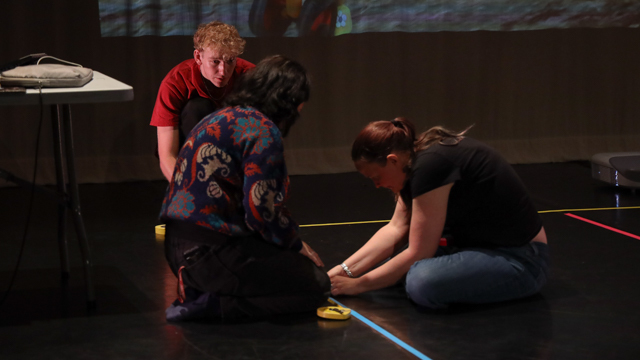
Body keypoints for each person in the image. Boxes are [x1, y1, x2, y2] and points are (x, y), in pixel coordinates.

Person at [161, 55, 330, 321]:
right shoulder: (262, 131)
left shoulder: (217, 117)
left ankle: (203, 293)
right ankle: (212, 305)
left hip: (177, 251)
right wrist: (296, 245)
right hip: (207, 255)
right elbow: (261, 212)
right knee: (317, 284)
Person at [329, 117, 549, 309]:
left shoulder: (431, 165)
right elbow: (395, 229)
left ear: (392, 160)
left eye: (376, 177)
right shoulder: (414, 162)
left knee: (421, 281)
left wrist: (359, 285)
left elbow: (419, 252)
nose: (376, 185)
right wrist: (341, 272)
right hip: (474, 249)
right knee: (403, 269)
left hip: (521, 260)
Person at [150, 21, 255, 181]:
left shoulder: (250, 76)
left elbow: (266, 133)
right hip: (189, 151)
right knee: (197, 106)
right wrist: (186, 189)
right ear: (198, 57)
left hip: (233, 148)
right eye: (215, 61)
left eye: (230, 61)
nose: (223, 71)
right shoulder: (176, 81)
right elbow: (167, 155)